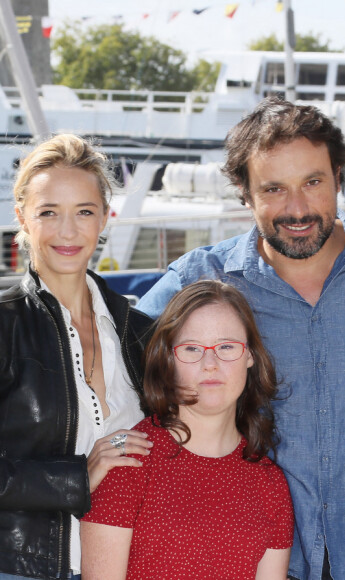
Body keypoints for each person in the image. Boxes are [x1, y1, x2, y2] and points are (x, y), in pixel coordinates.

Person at [137, 96, 345, 580]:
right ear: (245, 194)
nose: (297, 208)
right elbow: (116, 356)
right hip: (258, 559)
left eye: (313, 182)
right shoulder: (205, 276)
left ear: (339, 178)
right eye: (274, 189)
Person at [0, 134, 153, 580]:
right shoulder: (5, 324)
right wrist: (77, 476)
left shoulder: (138, 331)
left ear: (104, 218)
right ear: (23, 220)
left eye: (84, 212)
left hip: (124, 563)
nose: (68, 231)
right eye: (49, 212)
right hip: (21, 567)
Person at [80, 280, 294, 579]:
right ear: (168, 359)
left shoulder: (269, 483)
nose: (210, 363)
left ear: (250, 356)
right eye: (192, 348)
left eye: (227, 347)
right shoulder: (128, 461)